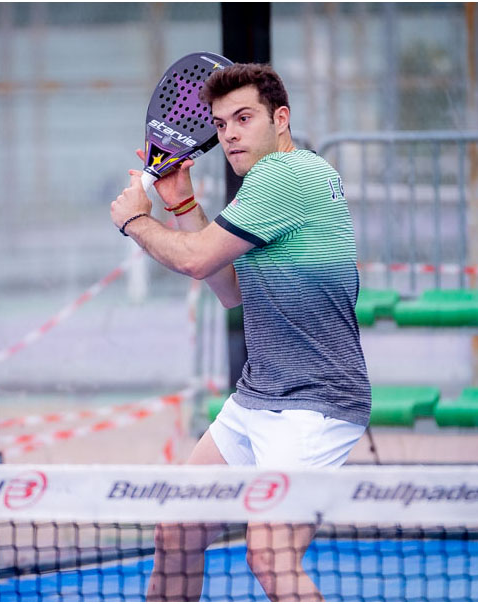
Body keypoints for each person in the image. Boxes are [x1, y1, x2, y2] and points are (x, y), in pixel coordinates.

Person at [110, 63, 371, 602]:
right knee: (176, 533)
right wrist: (181, 202)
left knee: (270, 555)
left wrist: (137, 220)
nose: (229, 133)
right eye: (220, 123)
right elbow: (231, 289)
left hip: (315, 405)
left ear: (281, 119)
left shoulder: (285, 177)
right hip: (259, 397)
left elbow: (195, 259)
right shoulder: (267, 184)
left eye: (244, 118)